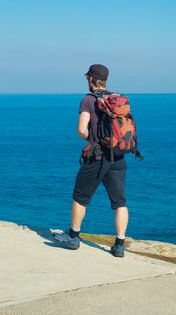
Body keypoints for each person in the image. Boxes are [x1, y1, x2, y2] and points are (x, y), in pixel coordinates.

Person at [56, 64, 128, 257]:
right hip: (118, 156)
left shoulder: (88, 100)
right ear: (105, 81)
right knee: (119, 202)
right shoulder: (117, 99)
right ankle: (119, 245)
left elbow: (81, 129)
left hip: (96, 155)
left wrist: (93, 139)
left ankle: (73, 237)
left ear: (91, 79)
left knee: (80, 197)